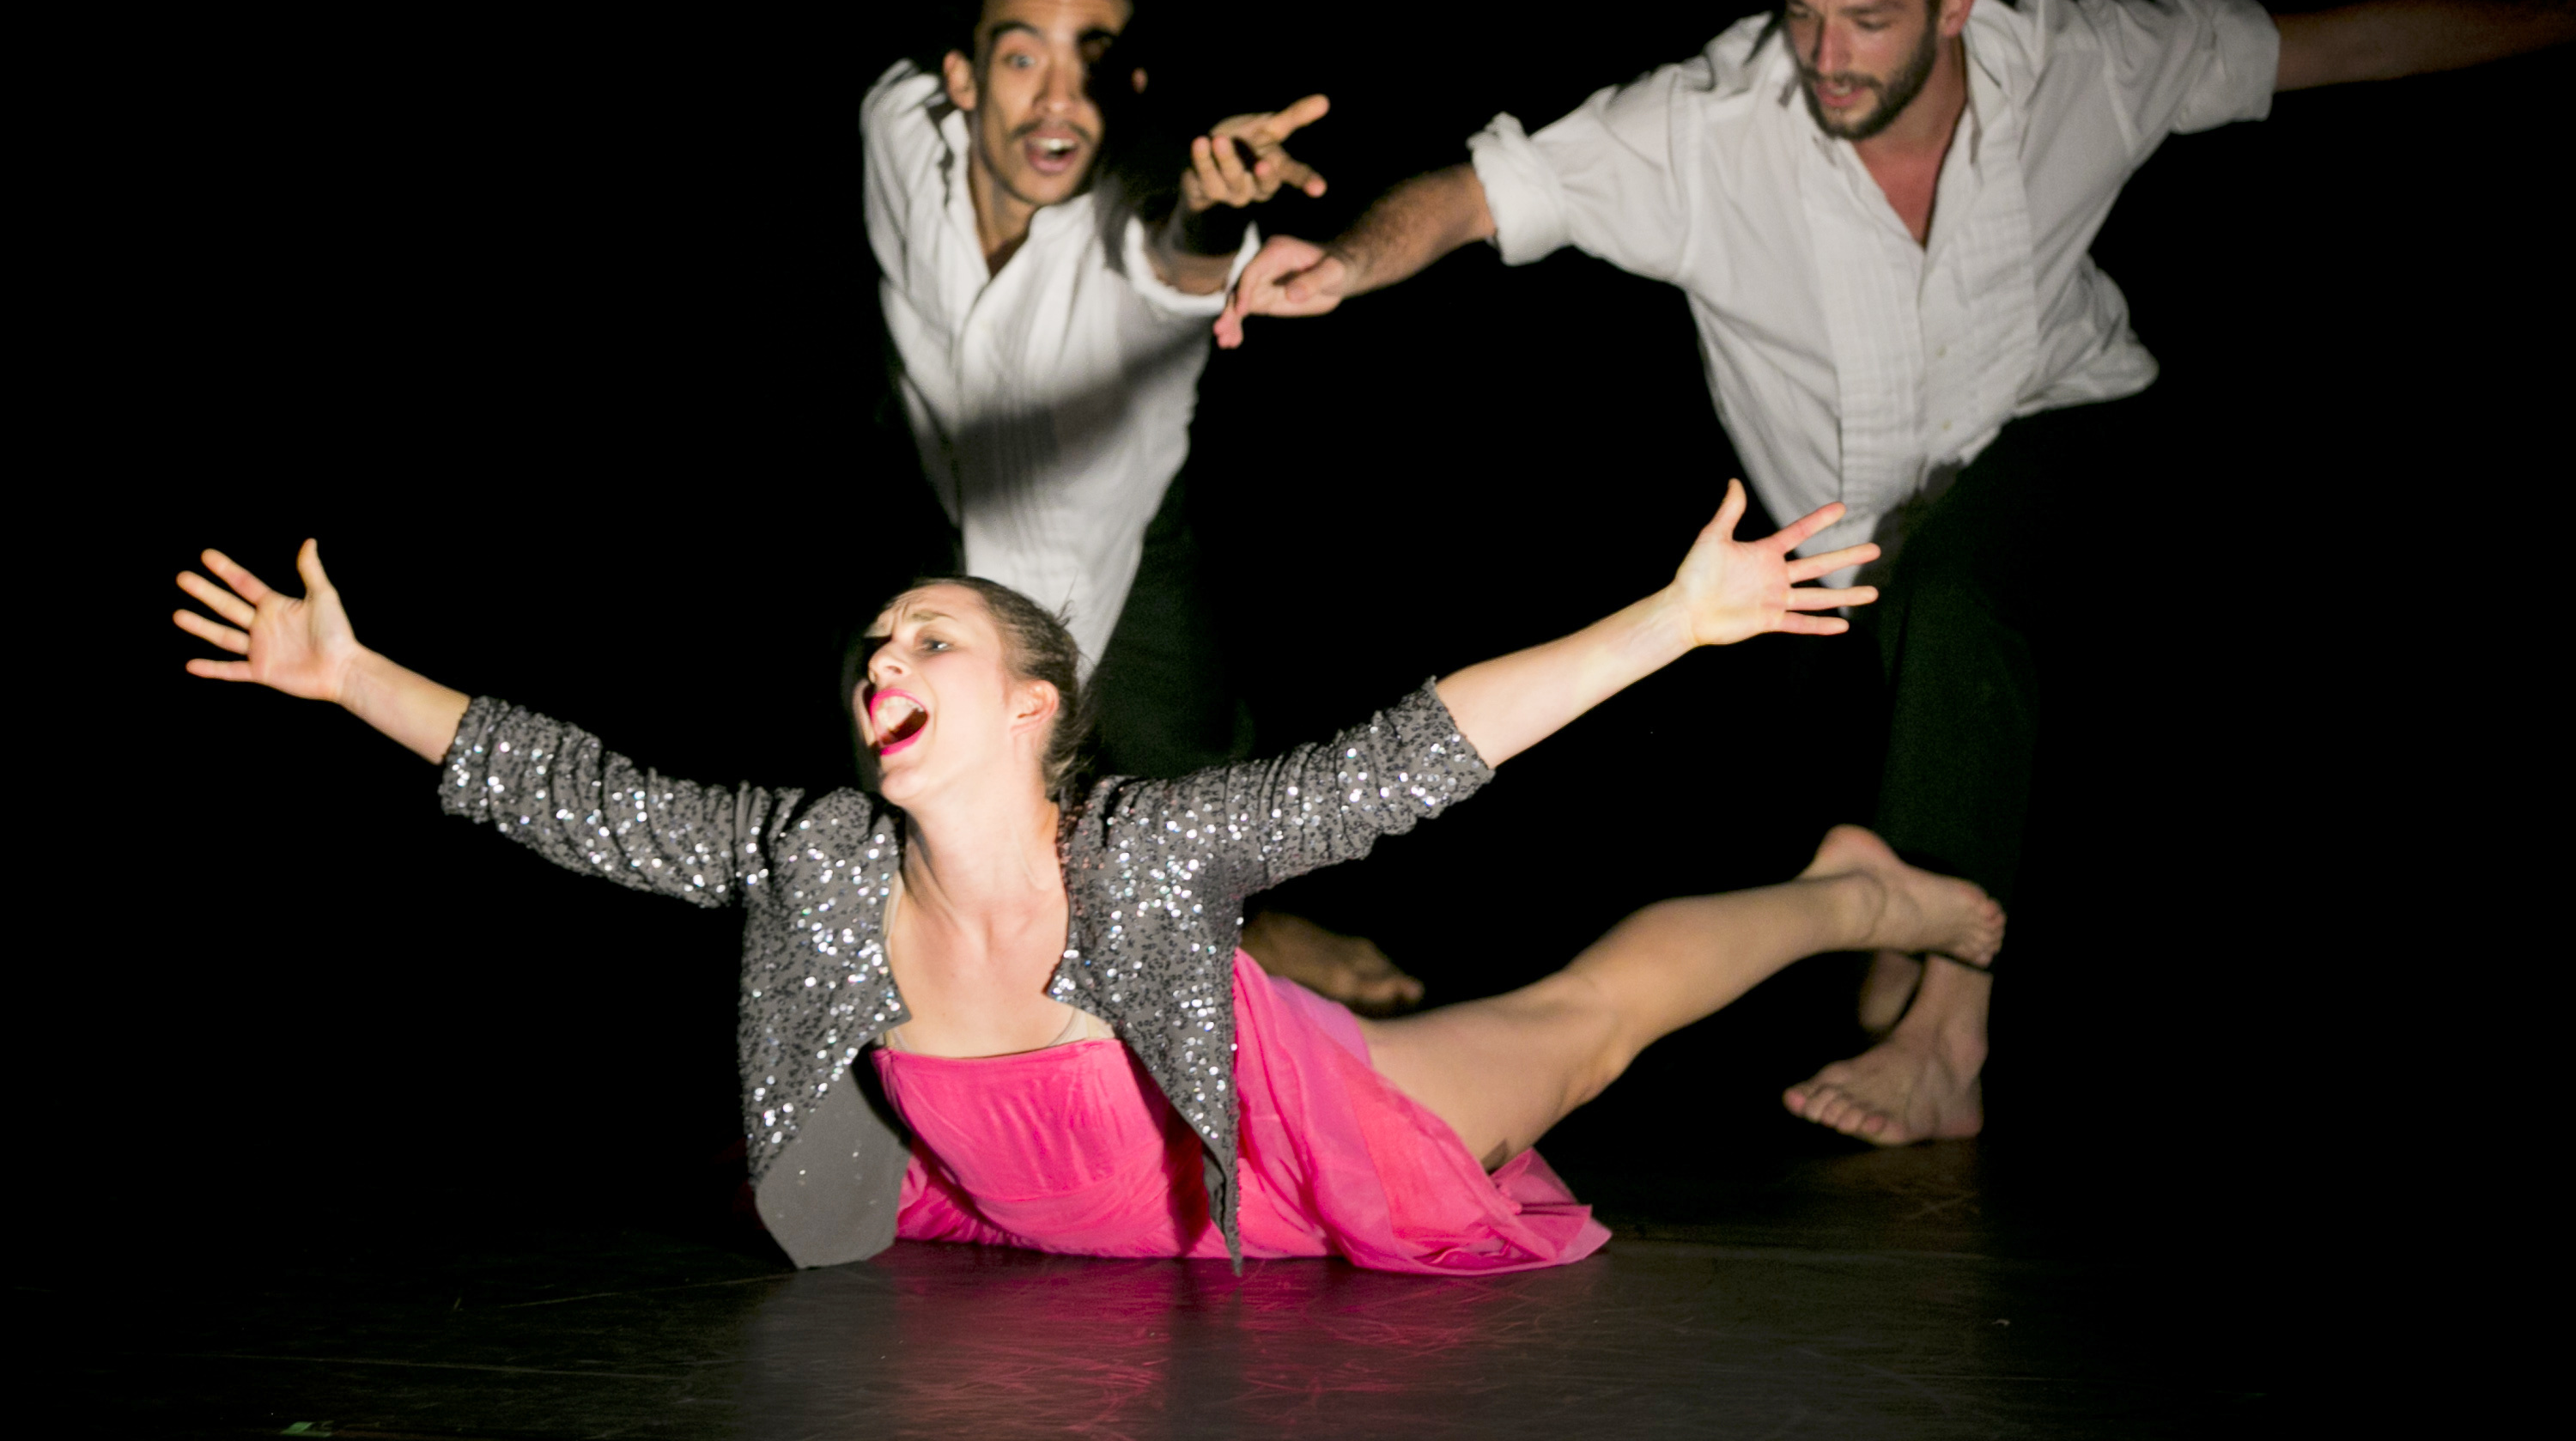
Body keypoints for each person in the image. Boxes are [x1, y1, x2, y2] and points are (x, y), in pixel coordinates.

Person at [1218, 0, 2575, 1147]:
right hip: (1843, 558)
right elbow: (1477, 193)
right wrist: (1346, 264)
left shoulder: (2082, 67)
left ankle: (1946, 1036)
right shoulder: (1706, 128)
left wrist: (2565, 15)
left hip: (2072, 441)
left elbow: (2331, 45)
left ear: (1956, 3)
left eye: (1869, 21)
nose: (1827, 57)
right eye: (1804, 15)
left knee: (1966, 584)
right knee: (1783, 748)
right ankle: (1891, 893)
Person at [170, 483, 2001, 1274]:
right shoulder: (820, 866)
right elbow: (580, 797)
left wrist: (1673, 621)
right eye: (876, 643)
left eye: (934, 639)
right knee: (1566, 1021)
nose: (885, 659)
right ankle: (1863, 894)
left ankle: (1873, 897)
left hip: (1283, 1139)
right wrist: (353, 676)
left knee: (1581, 1023)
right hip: (1080, 1231)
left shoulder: (1145, 845)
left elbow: (1409, 754)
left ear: (1032, 707)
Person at [865, 0, 1419, 1010]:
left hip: (1114, 525)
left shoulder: (1135, 206)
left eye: (1094, 64)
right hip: (935, 502)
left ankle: (1253, 938)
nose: (1059, 101)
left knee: (1183, 787)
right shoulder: (895, 124)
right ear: (959, 77)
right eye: (1022, 58)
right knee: (915, 814)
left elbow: (1180, 256)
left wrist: (1215, 209)